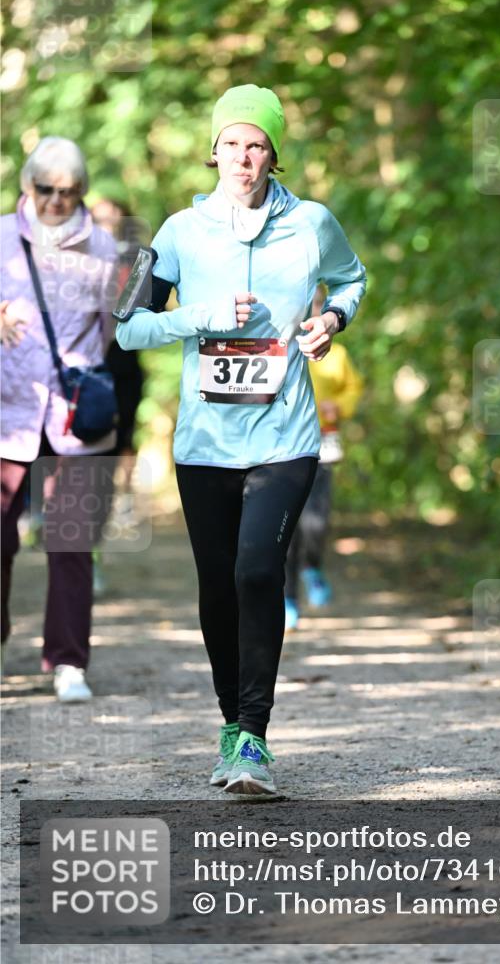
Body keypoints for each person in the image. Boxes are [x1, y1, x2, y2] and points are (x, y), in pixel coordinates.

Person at [116, 84, 365, 795]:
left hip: (286, 434)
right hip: (203, 444)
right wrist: (199, 315)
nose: (242, 157)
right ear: (214, 151)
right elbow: (127, 326)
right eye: (230, 143)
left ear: (274, 155)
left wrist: (332, 321)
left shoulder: (313, 222)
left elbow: (352, 279)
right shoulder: (176, 232)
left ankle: (253, 736)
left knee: (258, 570)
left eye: (256, 144)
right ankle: (231, 722)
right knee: (219, 586)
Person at [0, 137, 118, 701]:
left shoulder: (104, 247)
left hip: (76, 415)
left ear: (81, 192)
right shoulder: (0, 236)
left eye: (67, 192)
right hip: (8, 408)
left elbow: (115, 333)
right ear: (28, 186)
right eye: (44, 189)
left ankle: (69, 661)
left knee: (71, 543)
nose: (54, 201)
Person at [284, 285, 363, 630]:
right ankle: (287, 598)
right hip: (283, 445)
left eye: (315, 304)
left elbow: (354, 389)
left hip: (323, 443)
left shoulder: (338, 355)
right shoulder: (278, 348)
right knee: (285, 527)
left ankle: (312, 566)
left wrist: (339, 407)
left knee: (316, 521)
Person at [91, 200, 146, 595]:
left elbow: (148, 309)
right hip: (85, 372)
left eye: (111, 216)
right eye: (97, 218)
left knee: (113, 454)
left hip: (125, 369)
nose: (104, 224)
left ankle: (91, 545)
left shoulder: (138, 259)